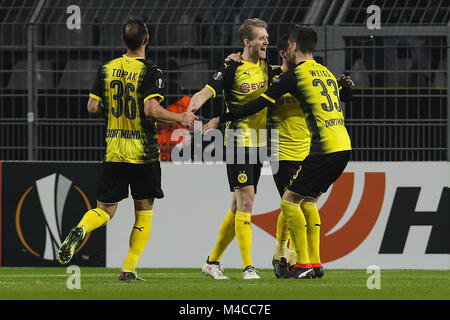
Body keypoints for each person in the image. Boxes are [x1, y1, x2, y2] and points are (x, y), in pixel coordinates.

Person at [203, 25, 353, 279]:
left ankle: (292, 259)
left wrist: (221, 118)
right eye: (265, 42)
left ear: (291, 49)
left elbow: (261, 101)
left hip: (311, 148)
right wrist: (235, 59)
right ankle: (288, 258)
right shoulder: (281, 76)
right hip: (282, 150)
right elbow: (255, 86)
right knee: (290, 202)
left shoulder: (295, 76)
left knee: (294, 203)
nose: (277, 53)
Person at [58, 19, 196, 281]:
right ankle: (129, 269)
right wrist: (180, 119)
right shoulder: (151, 72)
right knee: (143, 212)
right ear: (146, 40)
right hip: (143, 153)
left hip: (114, 150)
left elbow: (91, 107)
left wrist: (115, 114)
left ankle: (81, 227)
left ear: (123, 40)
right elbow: (151, 110)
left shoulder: (107, 69)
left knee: (105, 210)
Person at [187, 18, 271, 280]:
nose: (267, 41)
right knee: (247, 201)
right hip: (237, 142)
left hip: (259, 143)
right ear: (247, 42)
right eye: (261, 38)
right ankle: (249, 267)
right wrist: (190, 110)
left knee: (237, 206)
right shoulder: (232, 67)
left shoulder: (268, 67)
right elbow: (207, 91)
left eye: (267, 37)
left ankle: (212, 262)